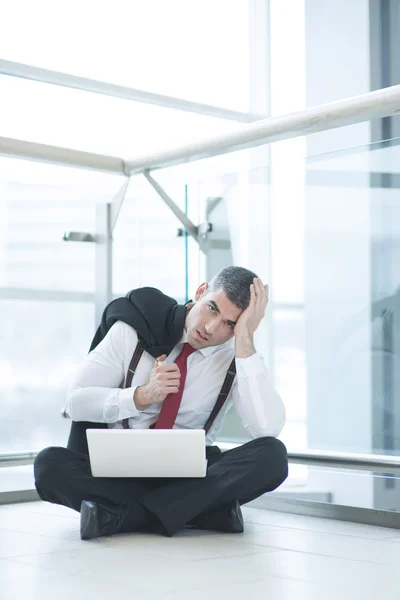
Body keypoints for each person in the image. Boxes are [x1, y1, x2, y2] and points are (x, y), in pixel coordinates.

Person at [34, 266, 288, 540]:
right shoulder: (133, 330)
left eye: (230, 324)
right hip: (121, 468)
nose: (211, 328)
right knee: (48, 466)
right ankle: (198, 511)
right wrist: (141, 396)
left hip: (191, 473)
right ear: (201, 291)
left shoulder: (237, 354)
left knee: (273, 457)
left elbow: (266, 429)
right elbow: (76, 402)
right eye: (212, 308)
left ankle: (122, 516)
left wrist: (244, 339)